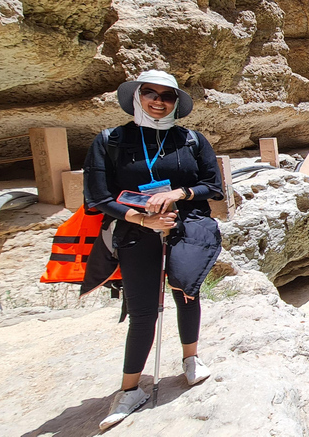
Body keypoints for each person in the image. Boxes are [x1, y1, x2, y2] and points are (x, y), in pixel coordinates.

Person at [82, 70, 223, 430]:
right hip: (135, 230)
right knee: (143, 310)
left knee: (186, 292)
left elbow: (212, 186)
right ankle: (130, 389)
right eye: (150, 93)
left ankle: (190, 359)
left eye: (167, 96)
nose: (158, 101)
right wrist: (142, 219)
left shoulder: (191, 140)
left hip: (185, 227)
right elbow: (98, 197)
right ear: (137, 97)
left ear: (176, 103)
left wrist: (178, 194)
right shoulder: (110, 140)